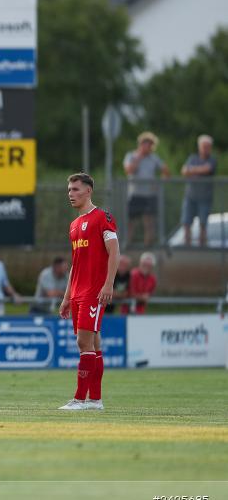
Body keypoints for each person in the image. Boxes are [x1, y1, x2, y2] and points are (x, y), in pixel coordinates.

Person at [58, 173, 119, 411]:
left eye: (75, 189)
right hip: (77, 293)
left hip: (94, 291)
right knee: (93, 342)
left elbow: (114, 252)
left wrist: (108, 284)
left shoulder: (102, 217)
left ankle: (79, 399)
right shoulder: (74, 225)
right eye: (69, 190)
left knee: (83, 343)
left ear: (88, 191)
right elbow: (75, 265)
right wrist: (66, 297)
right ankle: (95, 400)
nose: (71, 194)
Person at [123, 131, 169, 247]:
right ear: (141, 144)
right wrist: (139, 157)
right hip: (135, 194)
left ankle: (147, 248)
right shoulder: (131, 156)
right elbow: (129, 170)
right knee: (130, 223)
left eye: (150, 144)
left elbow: (166, 171)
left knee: (149, 223)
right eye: (146, 144)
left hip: (149, 195)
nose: (148, 147)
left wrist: (159, 183)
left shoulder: (154, 158)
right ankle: (126, 247)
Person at [180, 134, 217, 247]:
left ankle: (202, 248)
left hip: (205, 198)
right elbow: (184, 171)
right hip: (190, 197)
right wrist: (197, 170)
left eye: (207, 146)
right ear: (199, 147)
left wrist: (193, 170)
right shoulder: (192, 158)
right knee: (186, 223)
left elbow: (207, 169)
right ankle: (187, 247)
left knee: (203, 224)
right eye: (203, 146)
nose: (205, 149)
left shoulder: (212, 159)